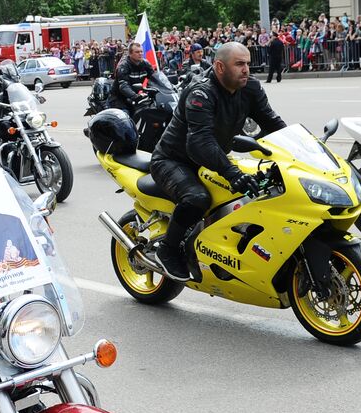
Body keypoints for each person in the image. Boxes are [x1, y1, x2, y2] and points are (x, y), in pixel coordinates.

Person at [150, 41, 286, 281]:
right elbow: (199, 142)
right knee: (197, 198)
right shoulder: (201, 92)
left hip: (212, 159)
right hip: (174, 160)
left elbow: (274, 124)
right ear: (220, 67)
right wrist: (234, 173)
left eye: (248, 64)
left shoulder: (250, 88)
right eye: (240, 64)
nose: (246, 69)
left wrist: (303, 149)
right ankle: (168, 249)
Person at [108, 41, 155, 115]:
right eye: (137, 52)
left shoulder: (145, 64)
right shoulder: (124, 66)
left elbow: (155, 78)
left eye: (141, 51)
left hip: (133, 97)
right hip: (119, 98)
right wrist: (135, 96)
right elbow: (123, 86)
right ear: (130, 53)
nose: (140, 54)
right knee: (125, 117)